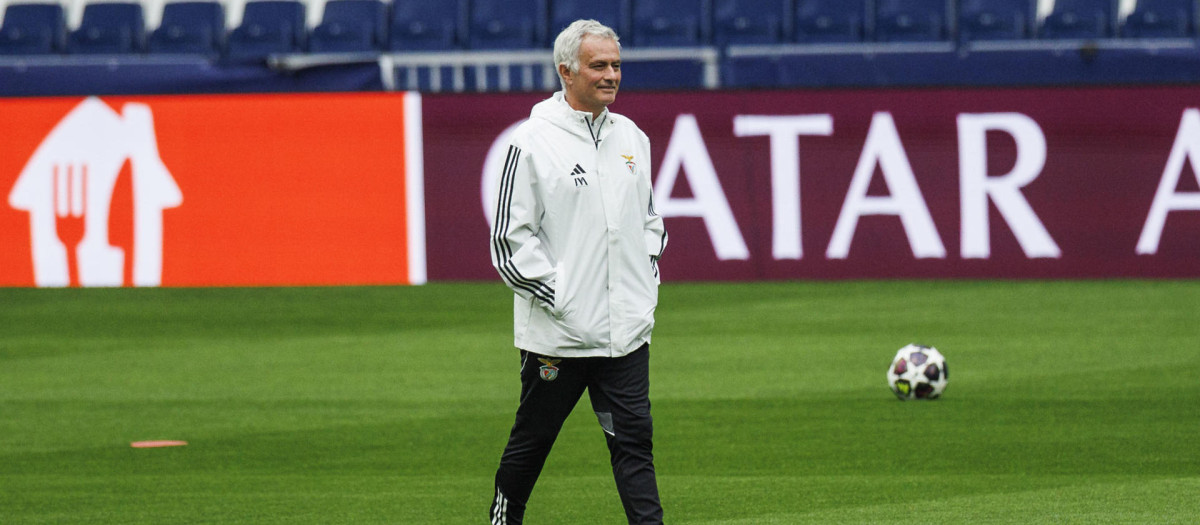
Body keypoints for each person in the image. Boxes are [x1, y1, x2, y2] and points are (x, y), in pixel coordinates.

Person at [488, 18, 668, 525]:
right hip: (558, 337)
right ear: (566, 71)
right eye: (599, 66)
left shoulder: (632, 137)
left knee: (635, 447)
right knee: (533, 443)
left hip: (626, 334)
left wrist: (641, 289)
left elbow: (651, 223)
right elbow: (508, 241)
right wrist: (561, 297)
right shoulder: (530, 143)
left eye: (615, 65)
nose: (611, 75)